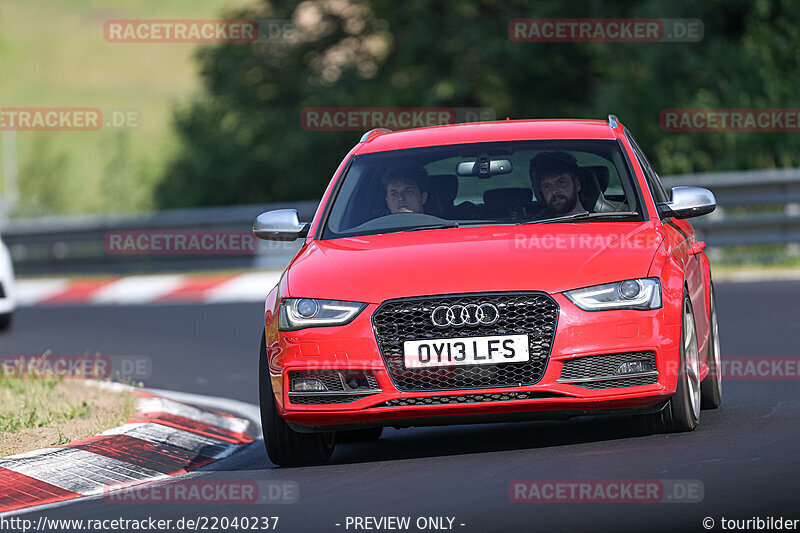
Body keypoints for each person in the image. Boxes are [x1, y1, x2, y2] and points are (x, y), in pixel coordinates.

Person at [529, 151, 589, 217]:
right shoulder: (534, 226)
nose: (554, 191)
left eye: (560, 182)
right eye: (547, 186)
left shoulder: (600, 222)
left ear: (577, 184)